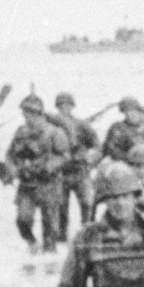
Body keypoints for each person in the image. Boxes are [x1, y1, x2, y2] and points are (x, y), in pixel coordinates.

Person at [8, 95, 73, 252]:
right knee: (22, 220)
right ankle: (32, 243)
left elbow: (64, 156)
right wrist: (12, 169)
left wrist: (50, 166)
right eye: (25, 113)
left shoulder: (54, 133)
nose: (27, 117)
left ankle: (49, 265)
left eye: (30, 114)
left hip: (48, 184)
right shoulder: (20, 132)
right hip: (27, 184)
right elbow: (10, 154)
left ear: (38, 113)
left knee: (50, 229)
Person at [54, 92, 102, 226]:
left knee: (87, 203)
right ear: (57, 107)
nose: (64, 108)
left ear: (72, 107)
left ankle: (87, 231)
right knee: (61, 206)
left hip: (80, 171)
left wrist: (90, 160)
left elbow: (97, 146)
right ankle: (61, 235)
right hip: (61, 172)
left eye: (67, 105)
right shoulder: (52, 126)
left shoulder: (82, 125)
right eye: (61, 106)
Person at [100, 97, 144, 183]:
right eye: (127, 111)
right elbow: (109, 148)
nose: (130, 114)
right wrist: (128, 157)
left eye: (133, 110)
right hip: (126, 166)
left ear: (139, 111)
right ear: (124, 113)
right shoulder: (117, 128)